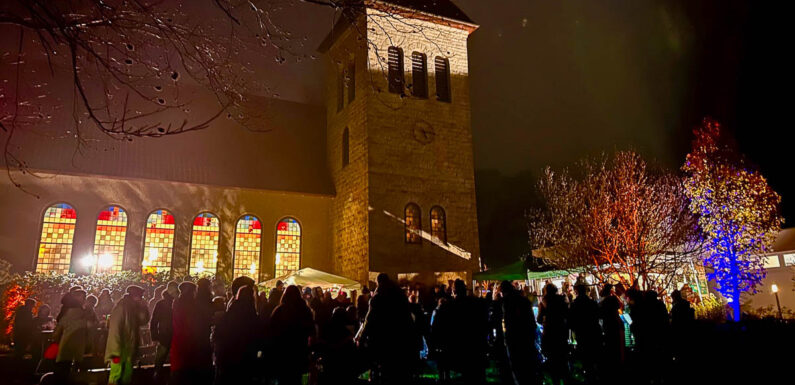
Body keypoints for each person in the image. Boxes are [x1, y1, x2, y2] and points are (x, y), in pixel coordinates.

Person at [357, 273, 418, 385]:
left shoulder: (377, 298)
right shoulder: (400, 296)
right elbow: (407, 317)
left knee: (383, 372)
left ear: (378, 283)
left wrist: (361, 338)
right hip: (400, 340)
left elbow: (369, 320)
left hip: (382, 341)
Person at [430, 279, 488, 385]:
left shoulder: (447, 306)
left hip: (455, 347)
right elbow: (485, 323)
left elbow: (437, 328)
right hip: (474, 347)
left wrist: (436, 344)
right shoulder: (477, 303)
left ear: (453, 291)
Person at [213, 286, 262, 385]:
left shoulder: (231, 311)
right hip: (246, 358)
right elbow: (257, 337)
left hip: (228, 356)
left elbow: (218, 333)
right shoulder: (252, 315)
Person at [269, 285, 315, 385]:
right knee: (296, 378)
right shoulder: (305, 310)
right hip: (299, 351)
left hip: (282, 352)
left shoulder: (279, 310)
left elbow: (271, 331)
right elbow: (311, 331)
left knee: (283, 379)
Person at [105, 285, 150, 385]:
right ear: (135, 296)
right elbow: (115, 329)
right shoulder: (122, 307)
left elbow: (143, 320)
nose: (142, 298)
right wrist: (115, 349)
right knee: (116, 374)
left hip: (128, 347)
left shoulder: (133, 308)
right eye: (140, 296)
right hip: (119, 348)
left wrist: (143, 308)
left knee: (126, 374)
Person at [171, 281, 212, 385]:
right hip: (190, 341)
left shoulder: (177, 302)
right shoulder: (191, 305)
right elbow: (193, 323)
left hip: (179, 339)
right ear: (191, 292)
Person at [499, 280, 538, 385]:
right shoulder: (523, 300)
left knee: (517, 365)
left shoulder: (507, 301)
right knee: (528, 365)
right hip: (527, 335)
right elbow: (531, 320)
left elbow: (507, 321)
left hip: (515, 336)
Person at [315, 307, 360, 384]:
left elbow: (320, 343)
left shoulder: (326, 327)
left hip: (328, 363)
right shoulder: (345, 331)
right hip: (341, 366)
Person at [53, 290, 89, 384]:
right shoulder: (76, 310)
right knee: (67, 366)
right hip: (71, 340)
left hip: (67, 340)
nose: (84, 299)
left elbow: (60, 323)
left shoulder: (69, 308)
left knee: (64, 365)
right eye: (82, 297)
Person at [569, 284, 601, 384]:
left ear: (576, 291)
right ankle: (596, 375)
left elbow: (571, 321)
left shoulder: (574, 304)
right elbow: (598, 315)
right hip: (593, 331)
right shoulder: (592, 302)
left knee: (586, 357)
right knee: (595, 355)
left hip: (581, 333)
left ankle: (589, 376)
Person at [537, 283, 568, 385]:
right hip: (561, 331)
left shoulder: (544, 302)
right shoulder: (561, 300)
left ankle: (556, 380)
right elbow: (567, 315)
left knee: (552, 359)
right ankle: (566, 378)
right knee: (562, 358)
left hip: (549, 332)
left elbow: (539, 319)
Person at [150, 281, 178, 381]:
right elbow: (154, 321)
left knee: (160, 359)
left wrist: (154, 336)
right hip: (172, 335)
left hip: (165, 335)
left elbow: (154, 321)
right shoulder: (176, 303)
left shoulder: (161, 303)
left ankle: (157, 376)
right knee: (169, 358)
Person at [598, 284, 624, 375]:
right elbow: (620, 306)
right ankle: (620, 362)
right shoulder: (613, 299)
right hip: (615, 322)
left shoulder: (602, 302)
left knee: (611, 343)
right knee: (617, 343)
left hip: (608, 324)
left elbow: (600, 314)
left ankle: (613, 362)